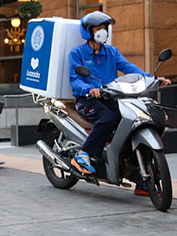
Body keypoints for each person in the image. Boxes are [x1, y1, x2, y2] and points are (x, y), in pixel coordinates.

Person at [68, 11, 170, 191]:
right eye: (98, 28)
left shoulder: (111, 52)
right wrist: (89, 89)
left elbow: (129, 68)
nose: (102, 31)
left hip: (111, 97)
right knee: (108, 119)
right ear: (88, 31)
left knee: (134, 122)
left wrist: (152, 79)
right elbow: (75, 79)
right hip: (88, 99)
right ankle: (83, 155)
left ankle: (141, 179)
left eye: (104, 28)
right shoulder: (78, 53)